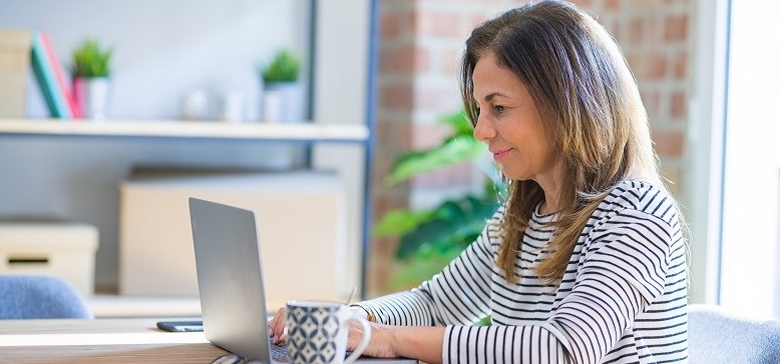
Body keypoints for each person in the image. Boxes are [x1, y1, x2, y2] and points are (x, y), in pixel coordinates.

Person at [268, 1, 688, 362]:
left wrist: (388, 339)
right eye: (479, 110)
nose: (481, 131)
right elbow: (434, 304)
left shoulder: (635, 213)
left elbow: (564, 349)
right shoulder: (525, 215)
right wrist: (353, 317)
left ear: (567, 106)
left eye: (499, 108)